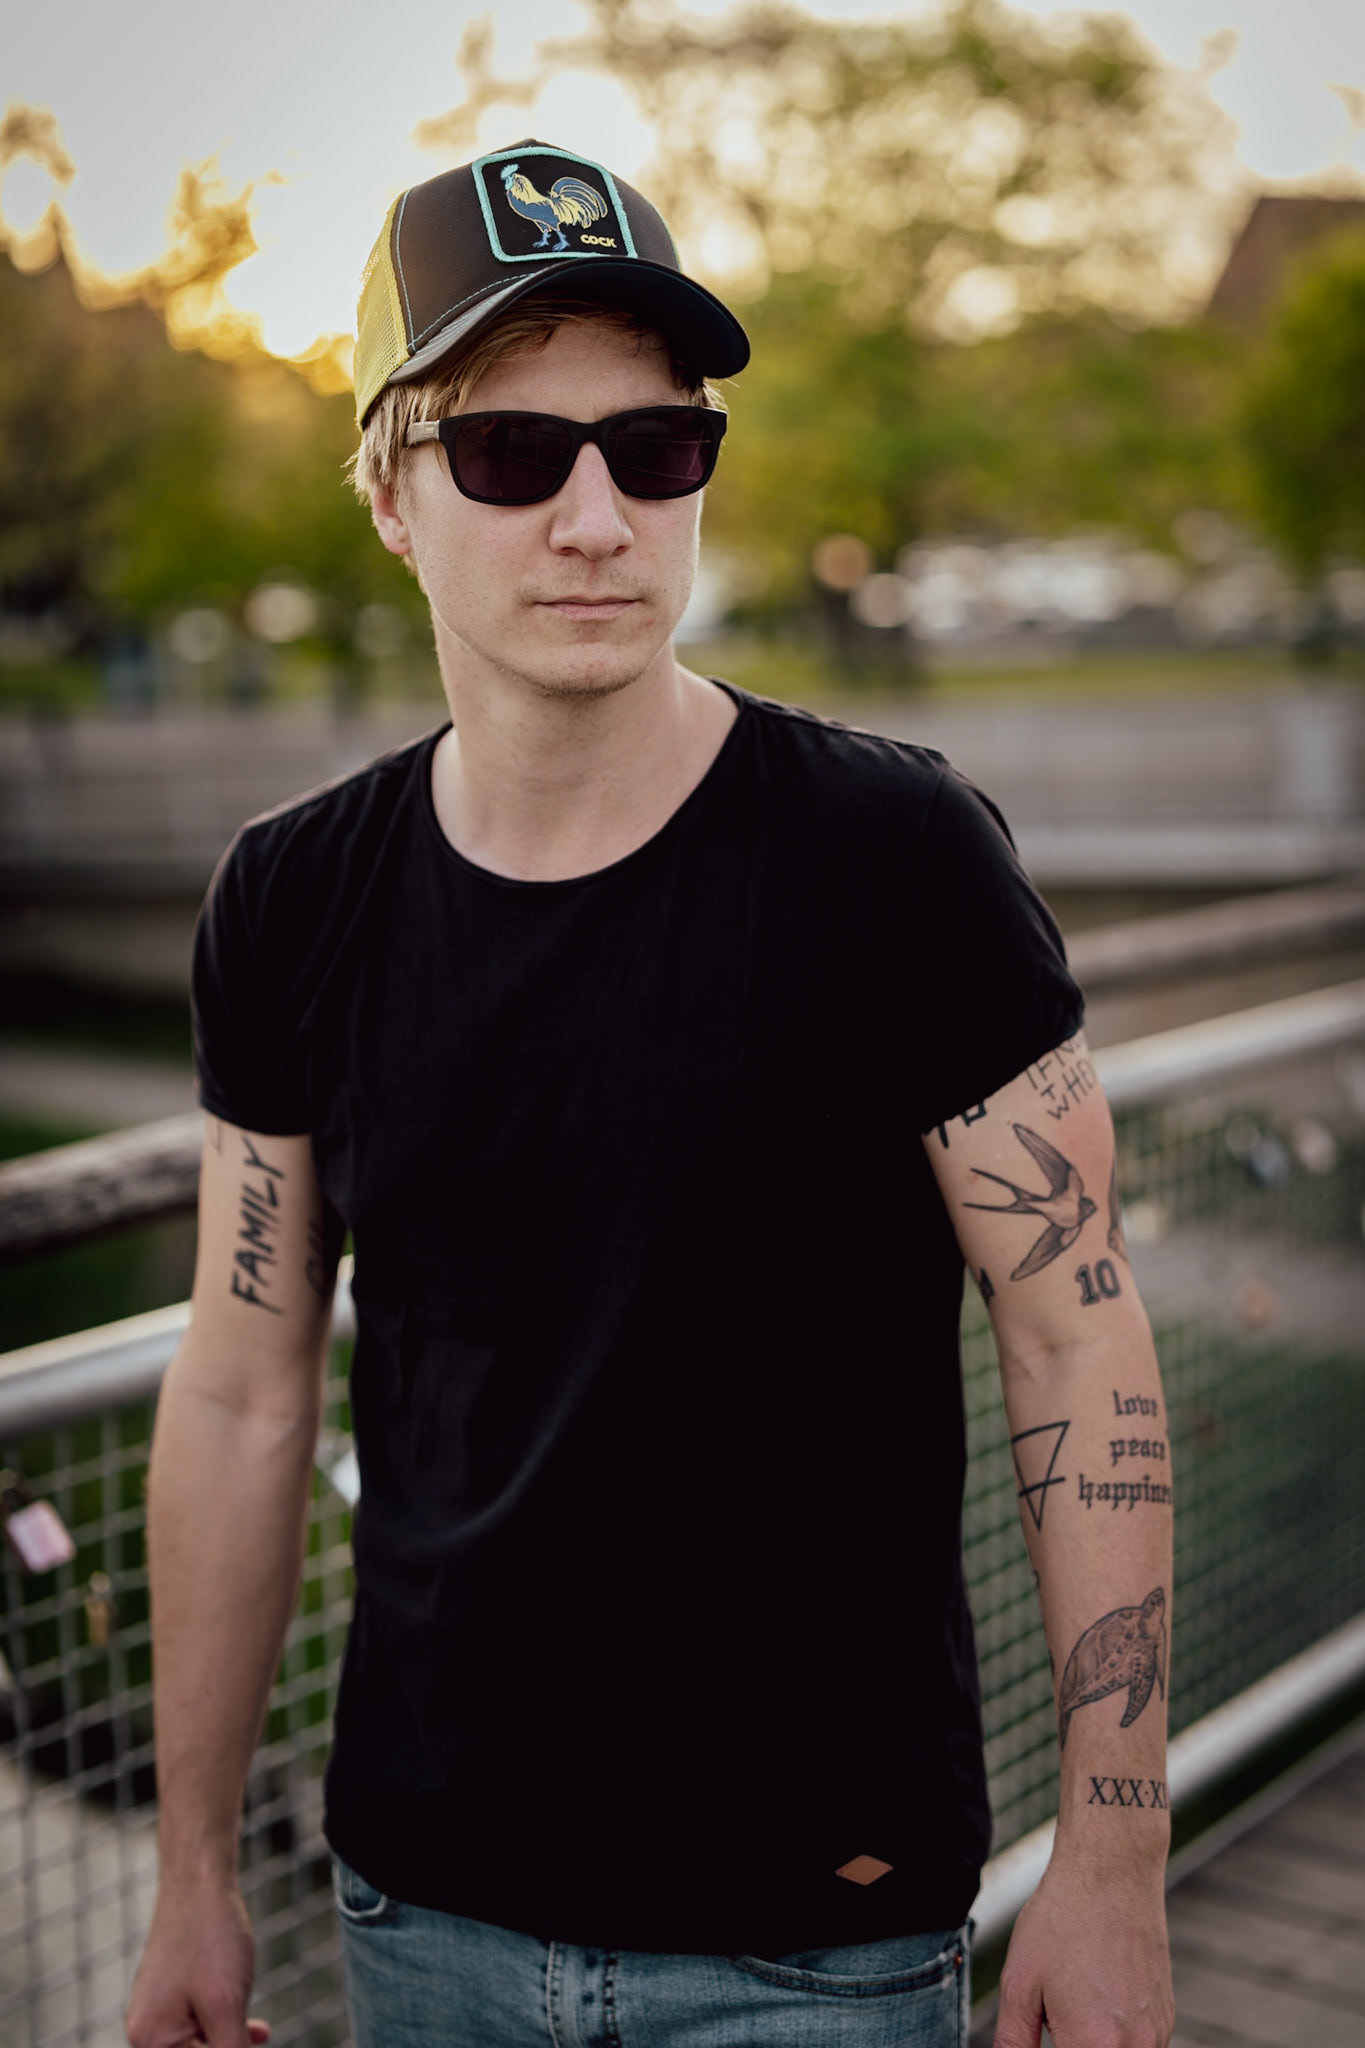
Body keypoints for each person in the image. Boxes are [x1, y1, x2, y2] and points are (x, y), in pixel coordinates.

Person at [125, 139, 1174, 2048]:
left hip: (814, 1941)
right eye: (512, 454)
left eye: (656, 448)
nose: (596, 518)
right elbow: (240, 1385)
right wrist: (192, 1861)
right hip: (424, 1907)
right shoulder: (290, 901)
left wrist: (1111, 1869)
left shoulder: (899, 860)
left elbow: (1075, 1340)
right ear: (390, 495)